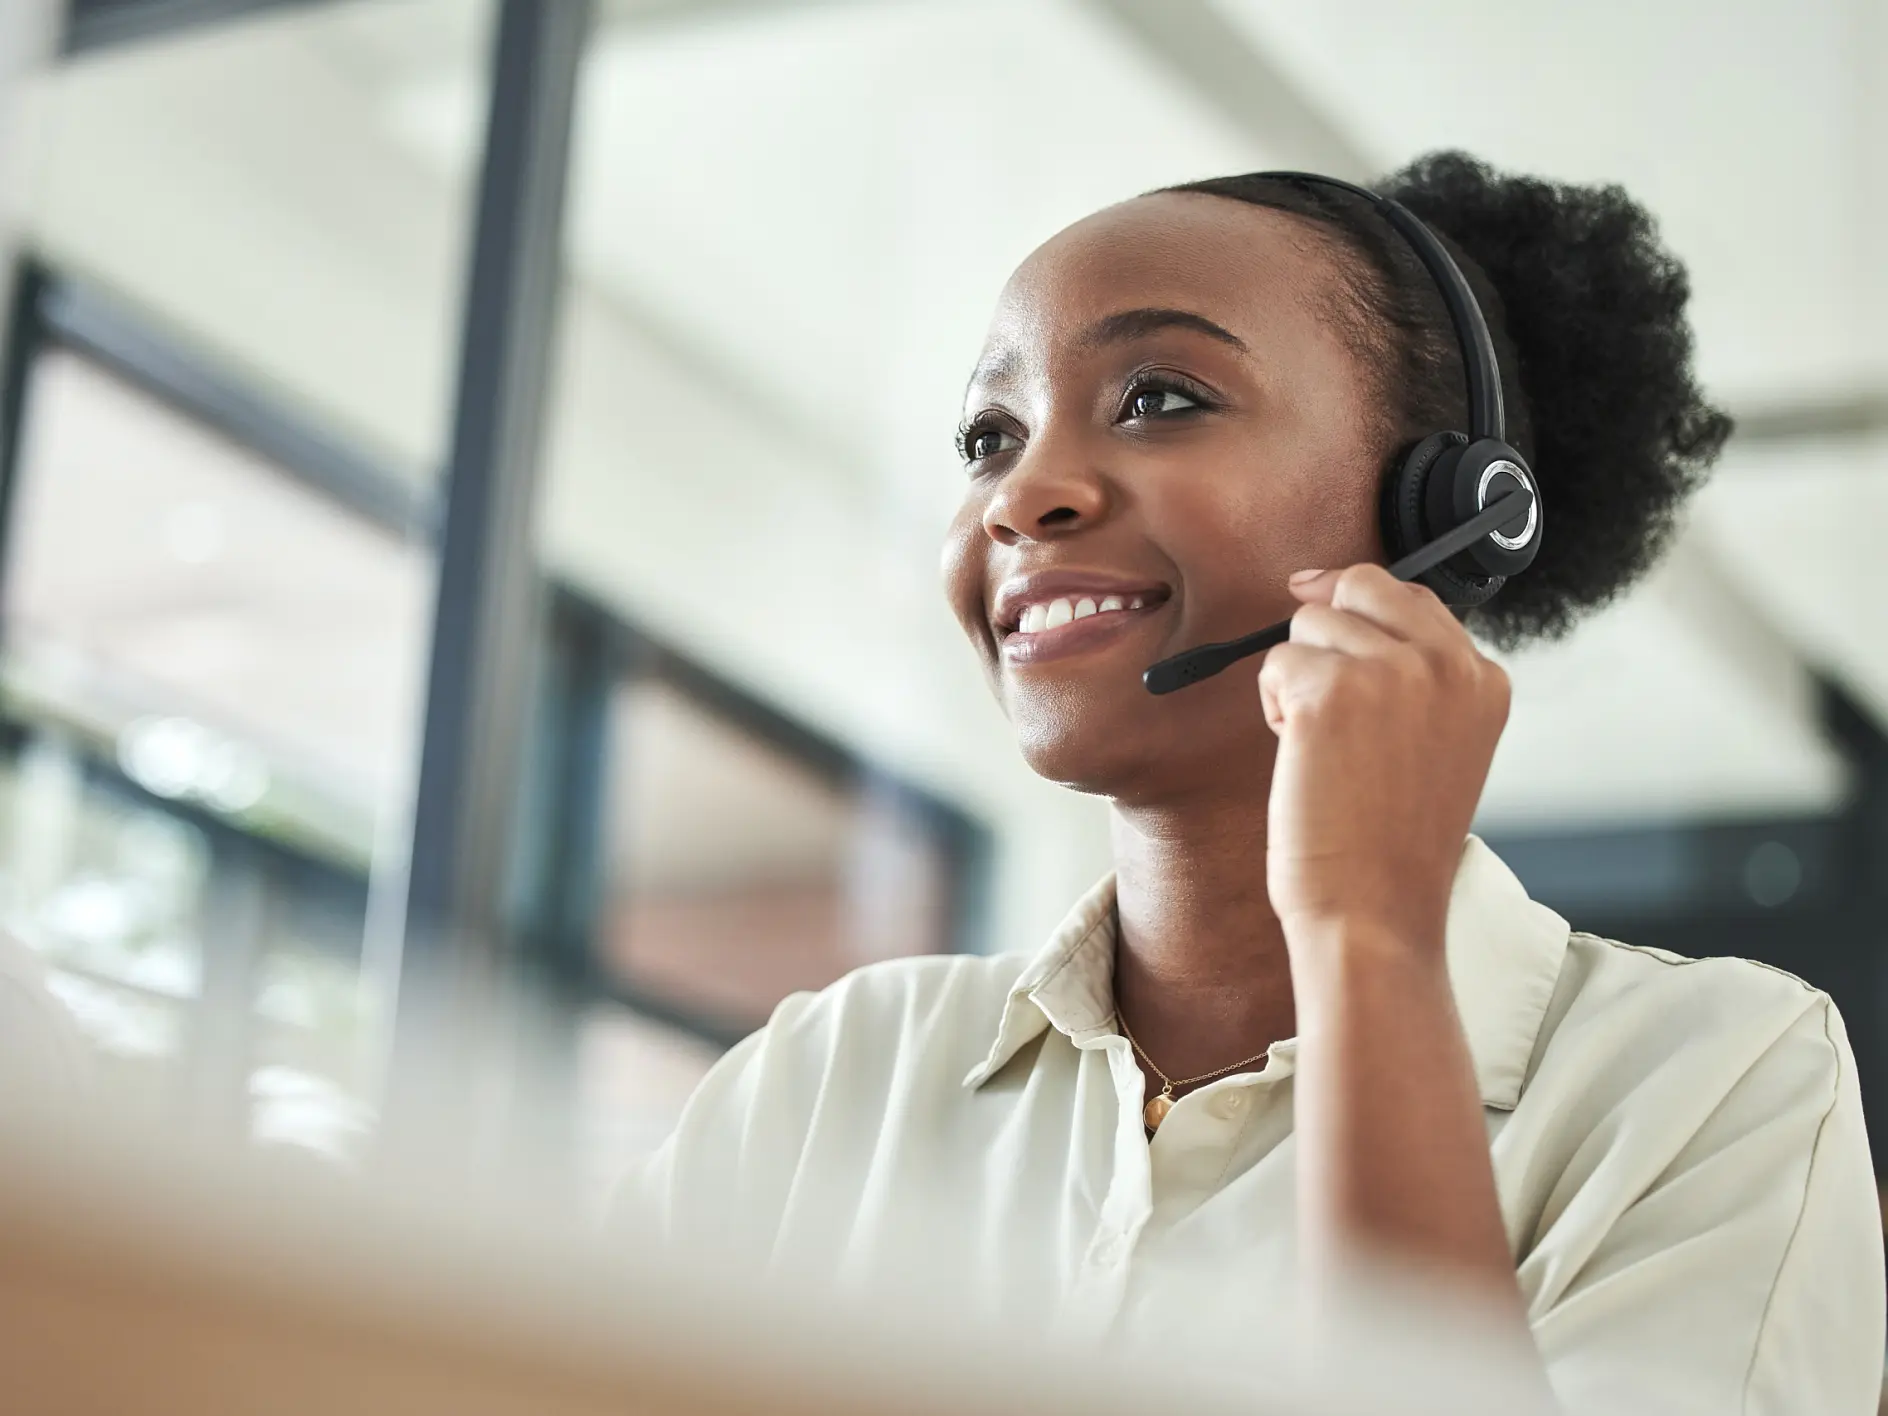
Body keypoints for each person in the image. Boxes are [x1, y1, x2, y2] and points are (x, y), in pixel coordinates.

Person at [628, 154, 1885, 1412]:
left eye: (1160, 397)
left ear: (1442, 511)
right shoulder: (832, 1076)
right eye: (986, 436)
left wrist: (1370, 942)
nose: (1024, 494)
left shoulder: (1710, 1084)